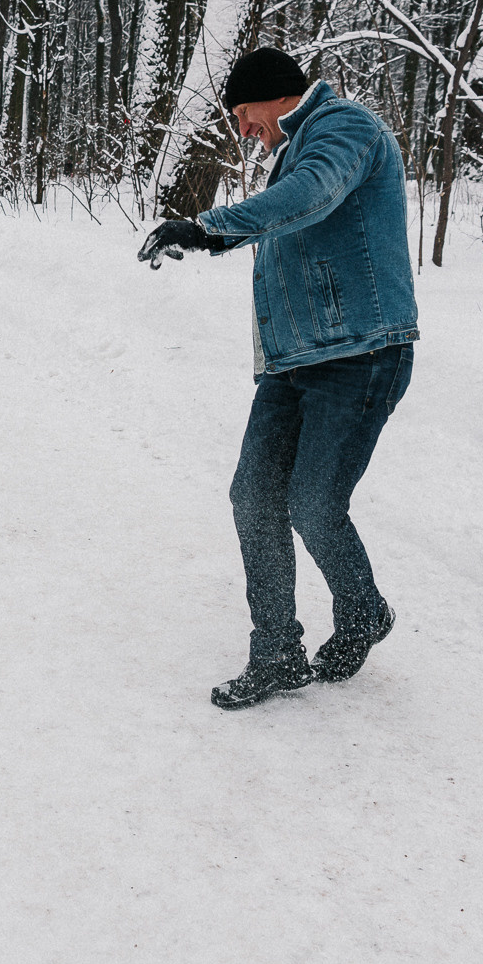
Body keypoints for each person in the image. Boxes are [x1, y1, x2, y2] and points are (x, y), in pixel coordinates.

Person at [137, 47, 418, 710]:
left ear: (271, 94)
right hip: (296, 363)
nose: (243, 129)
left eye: (242, 112)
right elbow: (289, 217)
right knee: (254, 497)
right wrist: (210, 240)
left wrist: (211, 226)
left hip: (361, 353)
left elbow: (309, 197)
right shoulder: (296, 150)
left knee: (315, 503)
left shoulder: (347, 129)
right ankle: (277, 656)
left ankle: (363, 613)